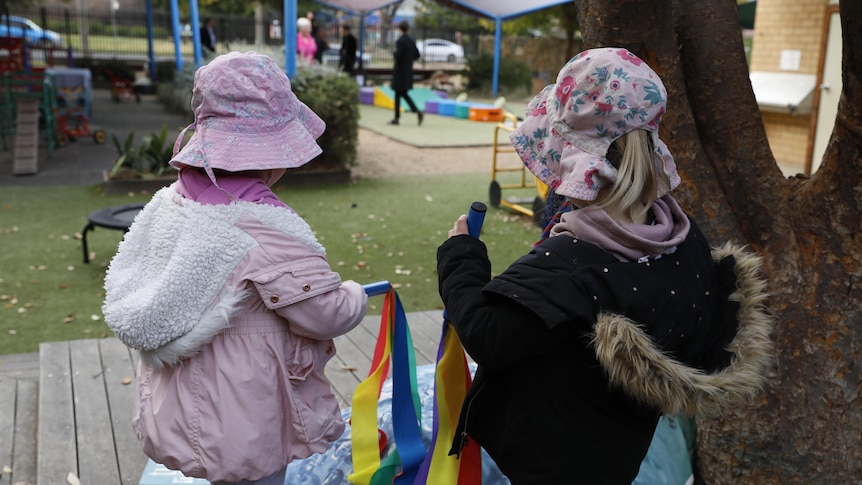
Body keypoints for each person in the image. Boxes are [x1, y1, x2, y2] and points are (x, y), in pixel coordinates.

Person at [436, 47, 773, 484]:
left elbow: (487, 334)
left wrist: (461, 254)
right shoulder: (683, 242)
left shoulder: (573, 265)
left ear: (574, 164)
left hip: (547, 463)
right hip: (613, 455)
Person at [103, 52, 369, 485]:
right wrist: (355, 293)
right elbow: (325, 313)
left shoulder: (174, 202)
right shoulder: (263, 227)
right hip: (246, 407)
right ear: (270, 157)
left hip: (191, 399)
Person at [389, 20, 422, 126]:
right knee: (402, 93)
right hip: (408, 71)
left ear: (399, 29)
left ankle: (397, 117)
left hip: (400, 72)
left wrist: (394, 53)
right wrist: (409, 59)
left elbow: (398, 56)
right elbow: (417, 55)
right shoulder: (412, 41)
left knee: (399, 94)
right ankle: (416, 111)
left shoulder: (400, 41)